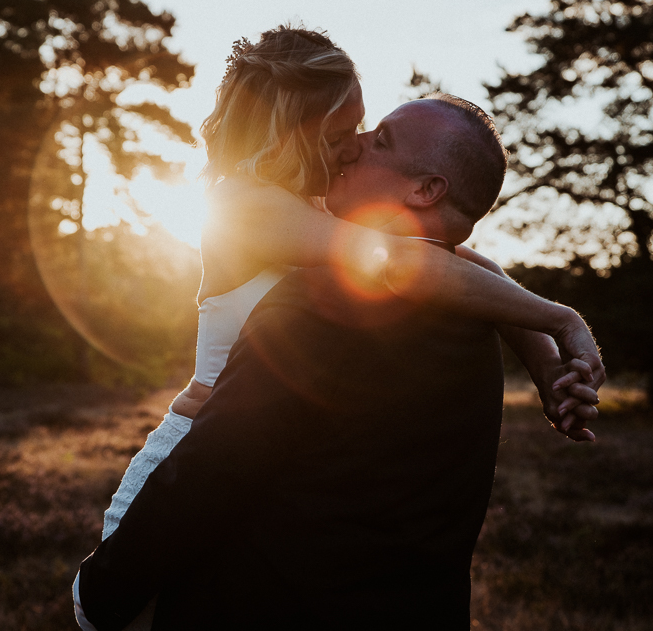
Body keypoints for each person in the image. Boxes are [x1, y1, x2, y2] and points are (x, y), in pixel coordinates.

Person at [74, 93, 601, 629]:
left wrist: (103, 592)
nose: (354, 147)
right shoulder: (478, 319)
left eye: (381, 139)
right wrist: (549, 337)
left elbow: (212, 472)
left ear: (424, 190)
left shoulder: (325, 304)